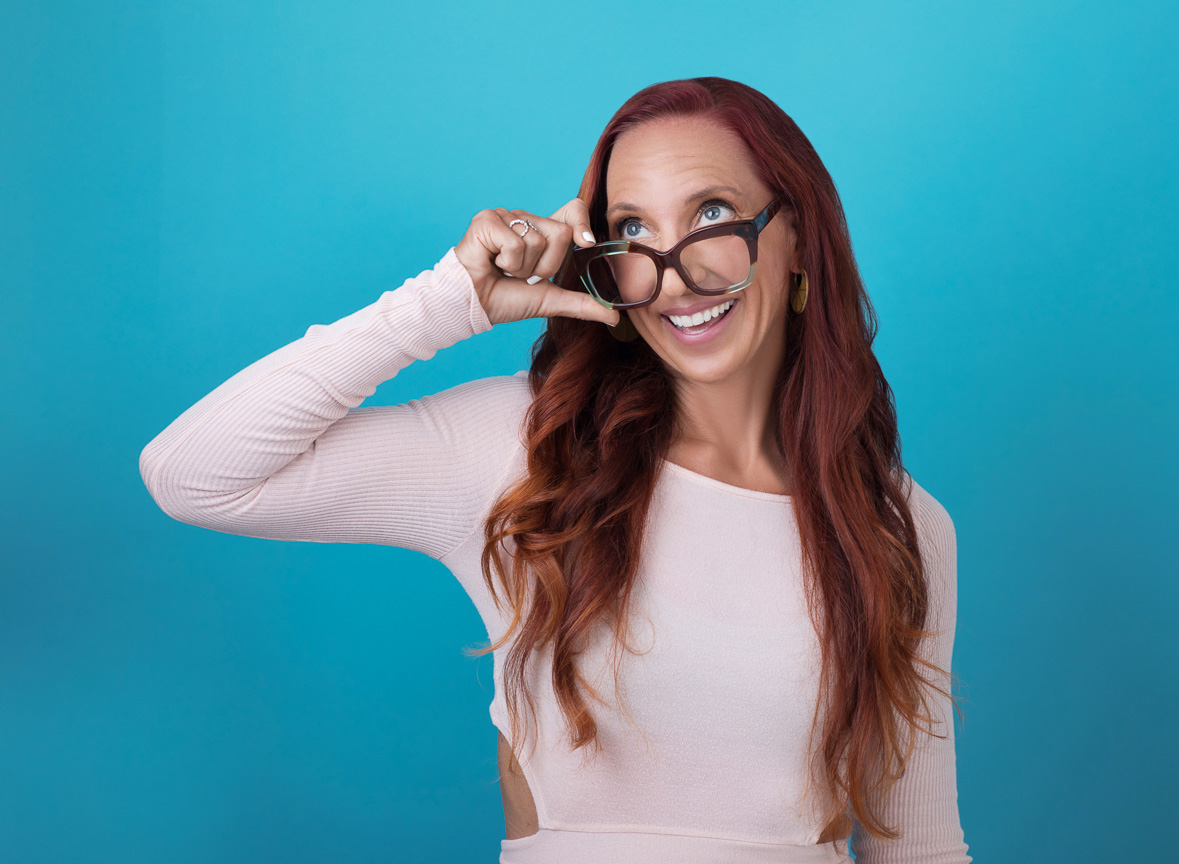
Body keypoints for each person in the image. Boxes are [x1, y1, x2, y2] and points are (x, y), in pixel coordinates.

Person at [139, 76, 972, 864]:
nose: (676, 275)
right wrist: (449, 301)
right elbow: (194, 474)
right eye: (634, 231)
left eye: (712, 212)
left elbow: (921, 848)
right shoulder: (527, 450)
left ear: (798, 239)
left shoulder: (899, 526)